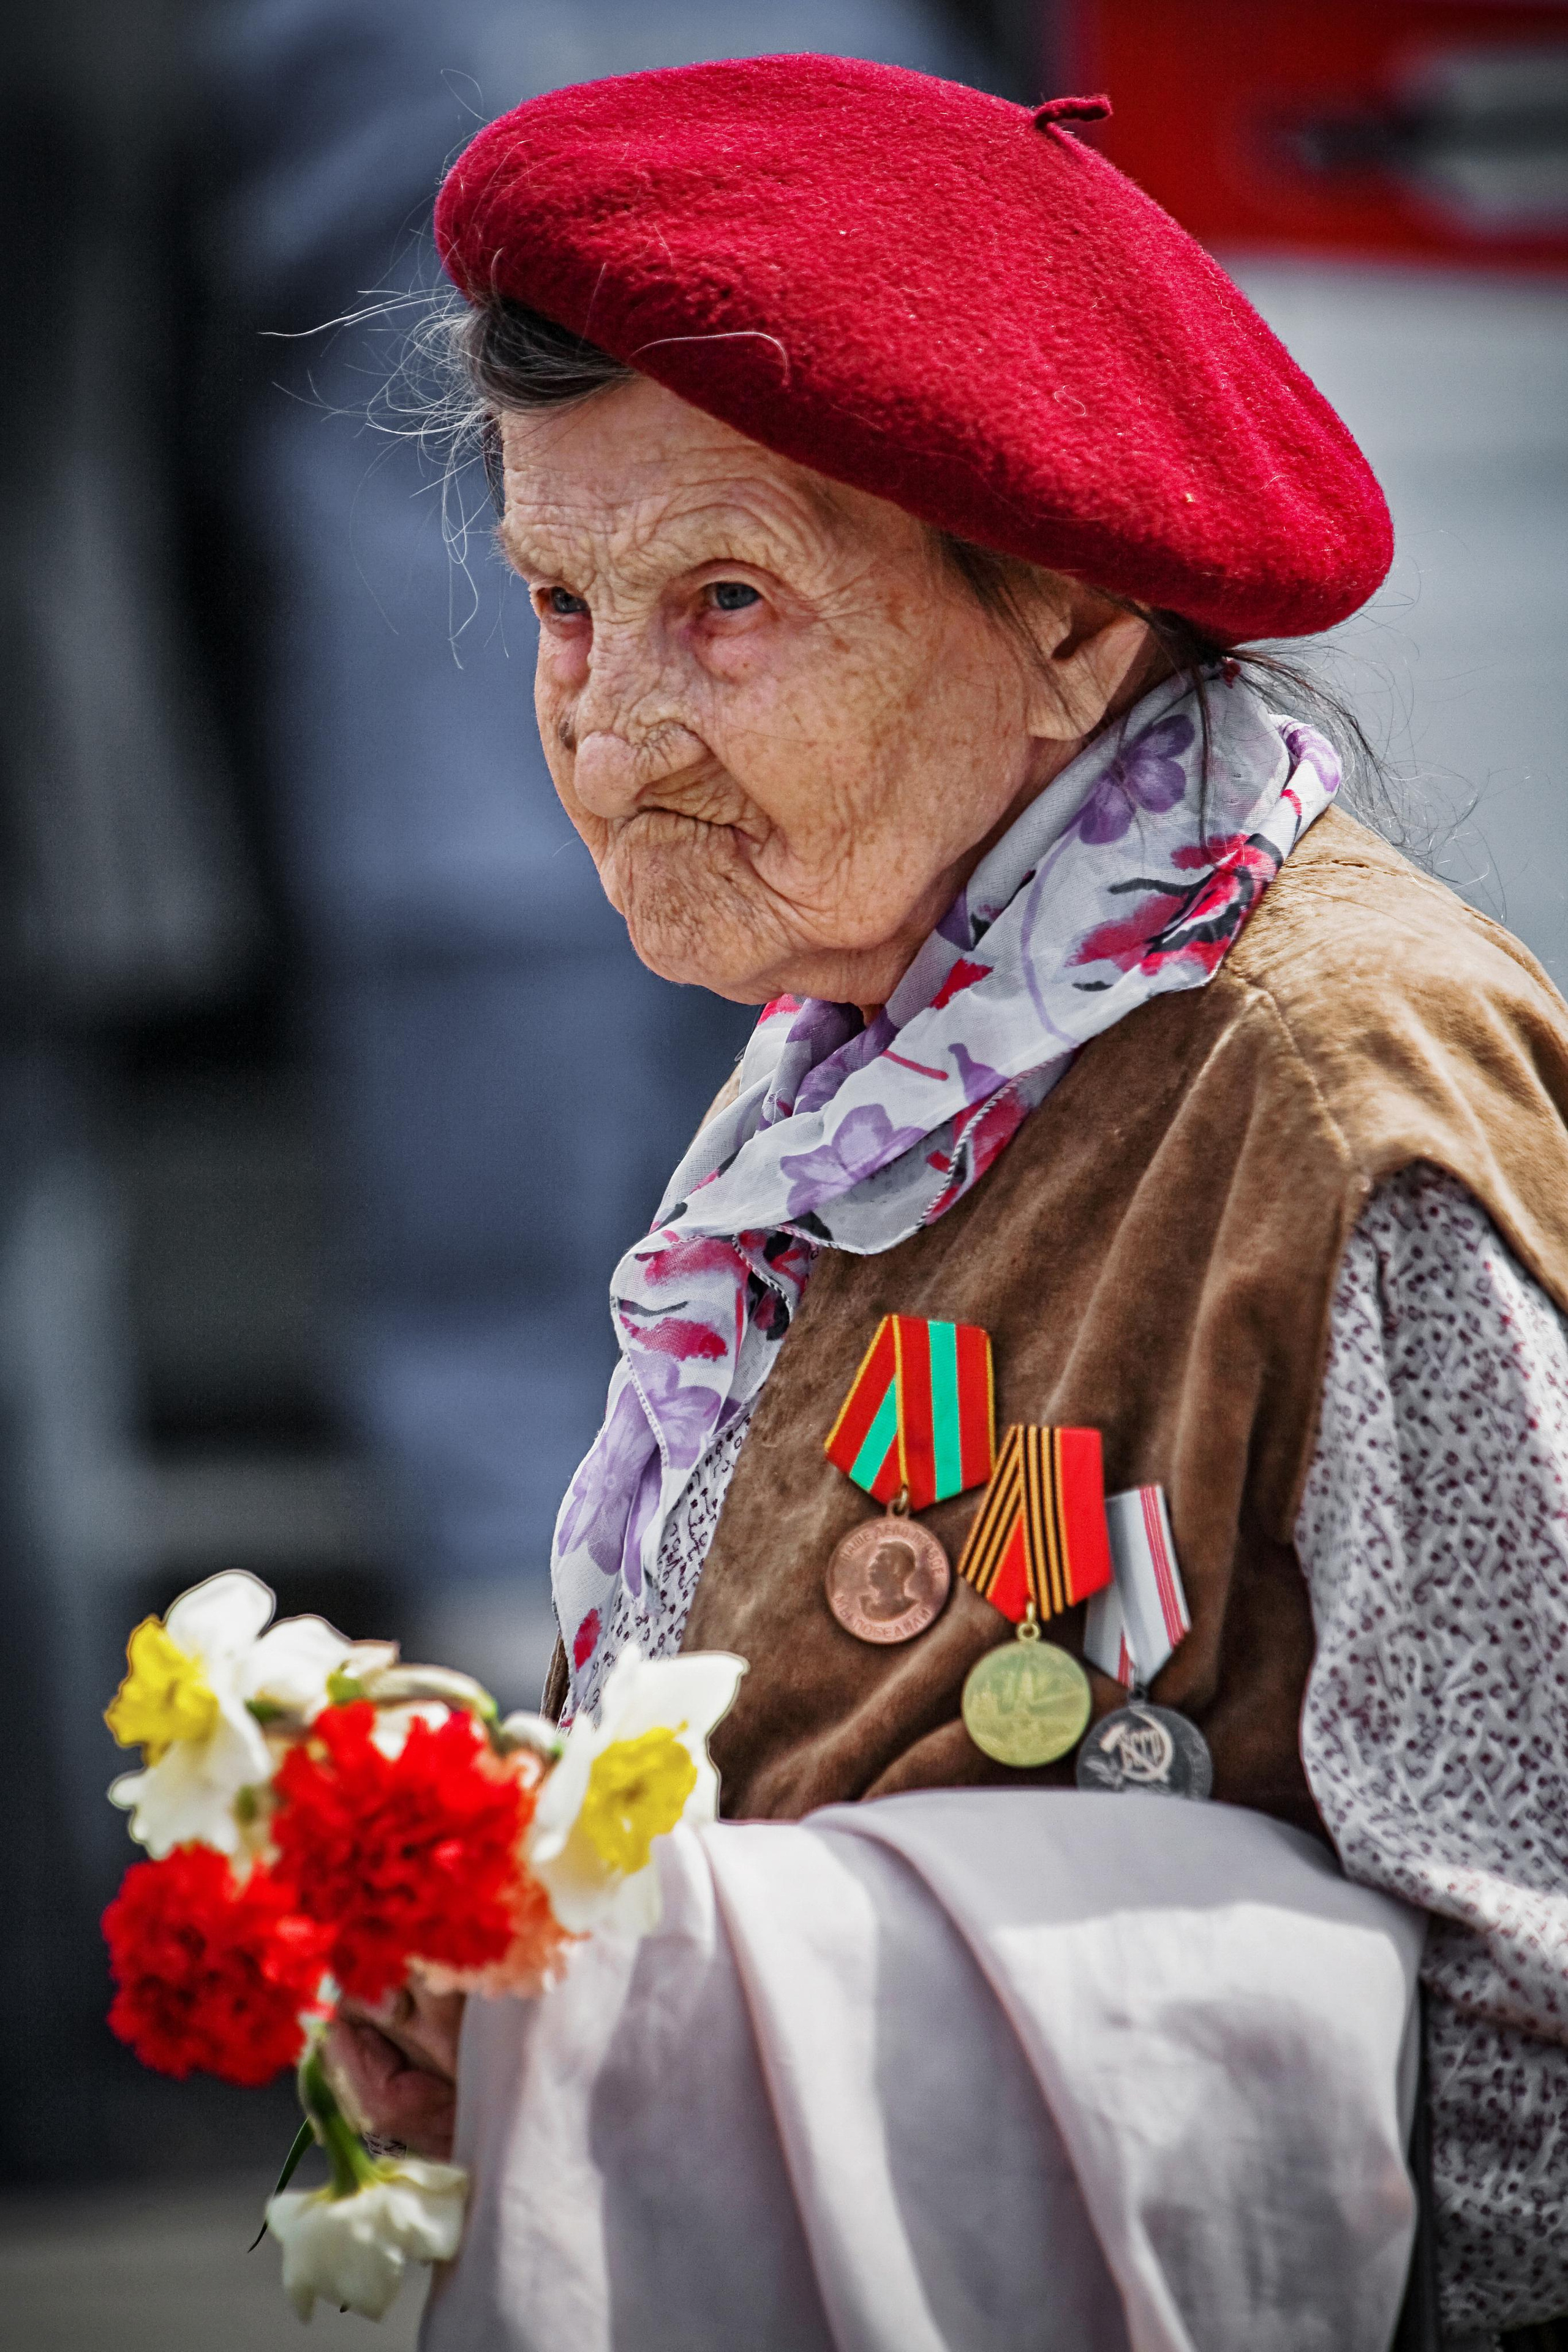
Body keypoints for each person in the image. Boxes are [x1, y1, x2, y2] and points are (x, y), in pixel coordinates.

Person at [326, 55, 1568, 2350]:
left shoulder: (1339, 1090)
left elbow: (1544, 2007)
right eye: (560, 604)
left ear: (1075, 619)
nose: (608, 733)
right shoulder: (885, 1022)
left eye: (724, 600)